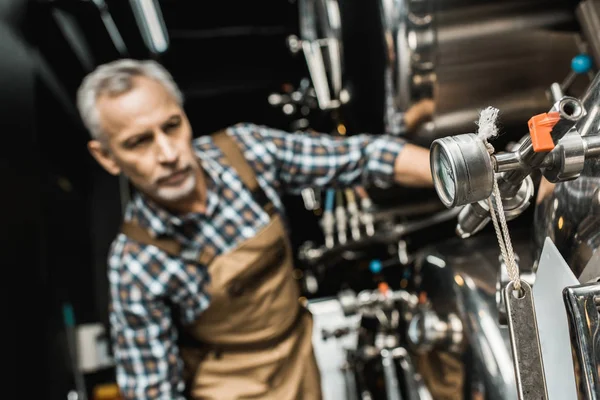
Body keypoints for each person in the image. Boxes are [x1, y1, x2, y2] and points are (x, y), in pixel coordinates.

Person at [76, 58, 434, 400]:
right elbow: (153, 391)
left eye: (171, 126)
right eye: (139, 142)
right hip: (231, 387)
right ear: (107, 156)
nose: (168, 153)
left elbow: (364, 157)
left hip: (298, 354)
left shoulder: (247, 152)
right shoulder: (136, 262)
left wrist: (456, 171)